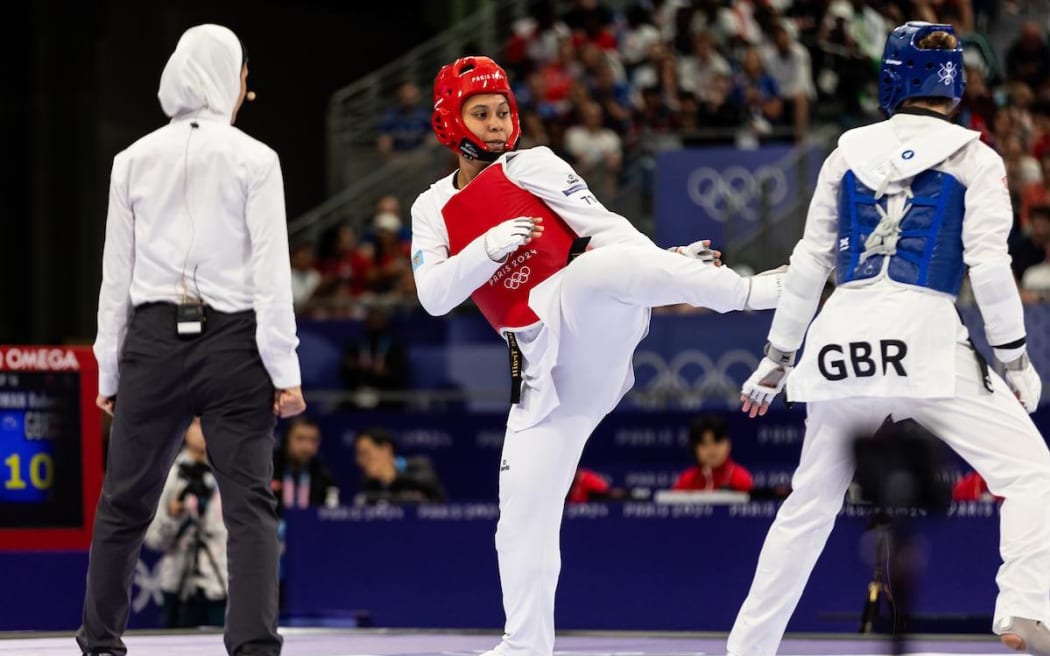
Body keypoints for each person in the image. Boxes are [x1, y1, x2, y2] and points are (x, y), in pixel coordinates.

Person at [411, 55, 785, 656]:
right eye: (479, 113)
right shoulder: (430, 209)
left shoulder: (534, 165)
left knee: (598, 268)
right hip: (536, 367)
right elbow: (434, 297)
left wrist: (668, 265)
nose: (496, 123)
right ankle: (525, 644)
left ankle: (753, 291)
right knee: (520, 517)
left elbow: (609, 231)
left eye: (503, 110)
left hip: (586, 324)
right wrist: (486, 248)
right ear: (449, 123)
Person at [730, 23, 1050, 656]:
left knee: (808, 508)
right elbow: (988, 267)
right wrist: (1013, 358)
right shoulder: (975, 157)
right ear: (956, 85)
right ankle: (1023, 609)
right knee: (1029, 472)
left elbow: (808, 263)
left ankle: (747, 647)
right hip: (923, 338)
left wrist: (775, 359)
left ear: (890, 77)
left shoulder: (844, 153)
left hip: (838, 339)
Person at [80, 24, 306, 656]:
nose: (245, 91)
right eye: (242, 78)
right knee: (250, 507)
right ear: (226, 77)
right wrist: (284, 371)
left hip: (151, 344)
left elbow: (113, 278)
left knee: (124, 503)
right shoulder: (256, 159)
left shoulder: (131, 160)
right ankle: (255, 646)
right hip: (236, 346)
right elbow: (271, 274)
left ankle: (99, 642)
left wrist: (108, 372)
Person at [144, 419, 228, 629]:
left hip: (221, 583)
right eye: (197, 425)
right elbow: (154, 540)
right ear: (184, 429)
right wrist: (173, 518)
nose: (204, 432)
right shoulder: (167, 475)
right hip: (178, 583)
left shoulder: (231, 473)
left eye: (208, 423)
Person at [352, 428, 446, 504]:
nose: (359, 460)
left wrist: (392, 477)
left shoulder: (418, 466)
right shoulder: (369, 483)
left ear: (386, 449)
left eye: (365, 453)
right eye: (358, 455)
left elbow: (431, 488)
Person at [671, 414, 753, 492]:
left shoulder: (741, 479)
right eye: (704, 443)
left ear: (728, 444)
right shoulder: (686, 481)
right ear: (694, 448)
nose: (711, 449)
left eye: (717, 442)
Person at [272, 416, 339, 510]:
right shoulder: (269, 472)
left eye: (313, 440)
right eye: (300, 439)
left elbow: (330, 514)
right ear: (287, 440)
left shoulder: (325, 477)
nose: (307, 447)